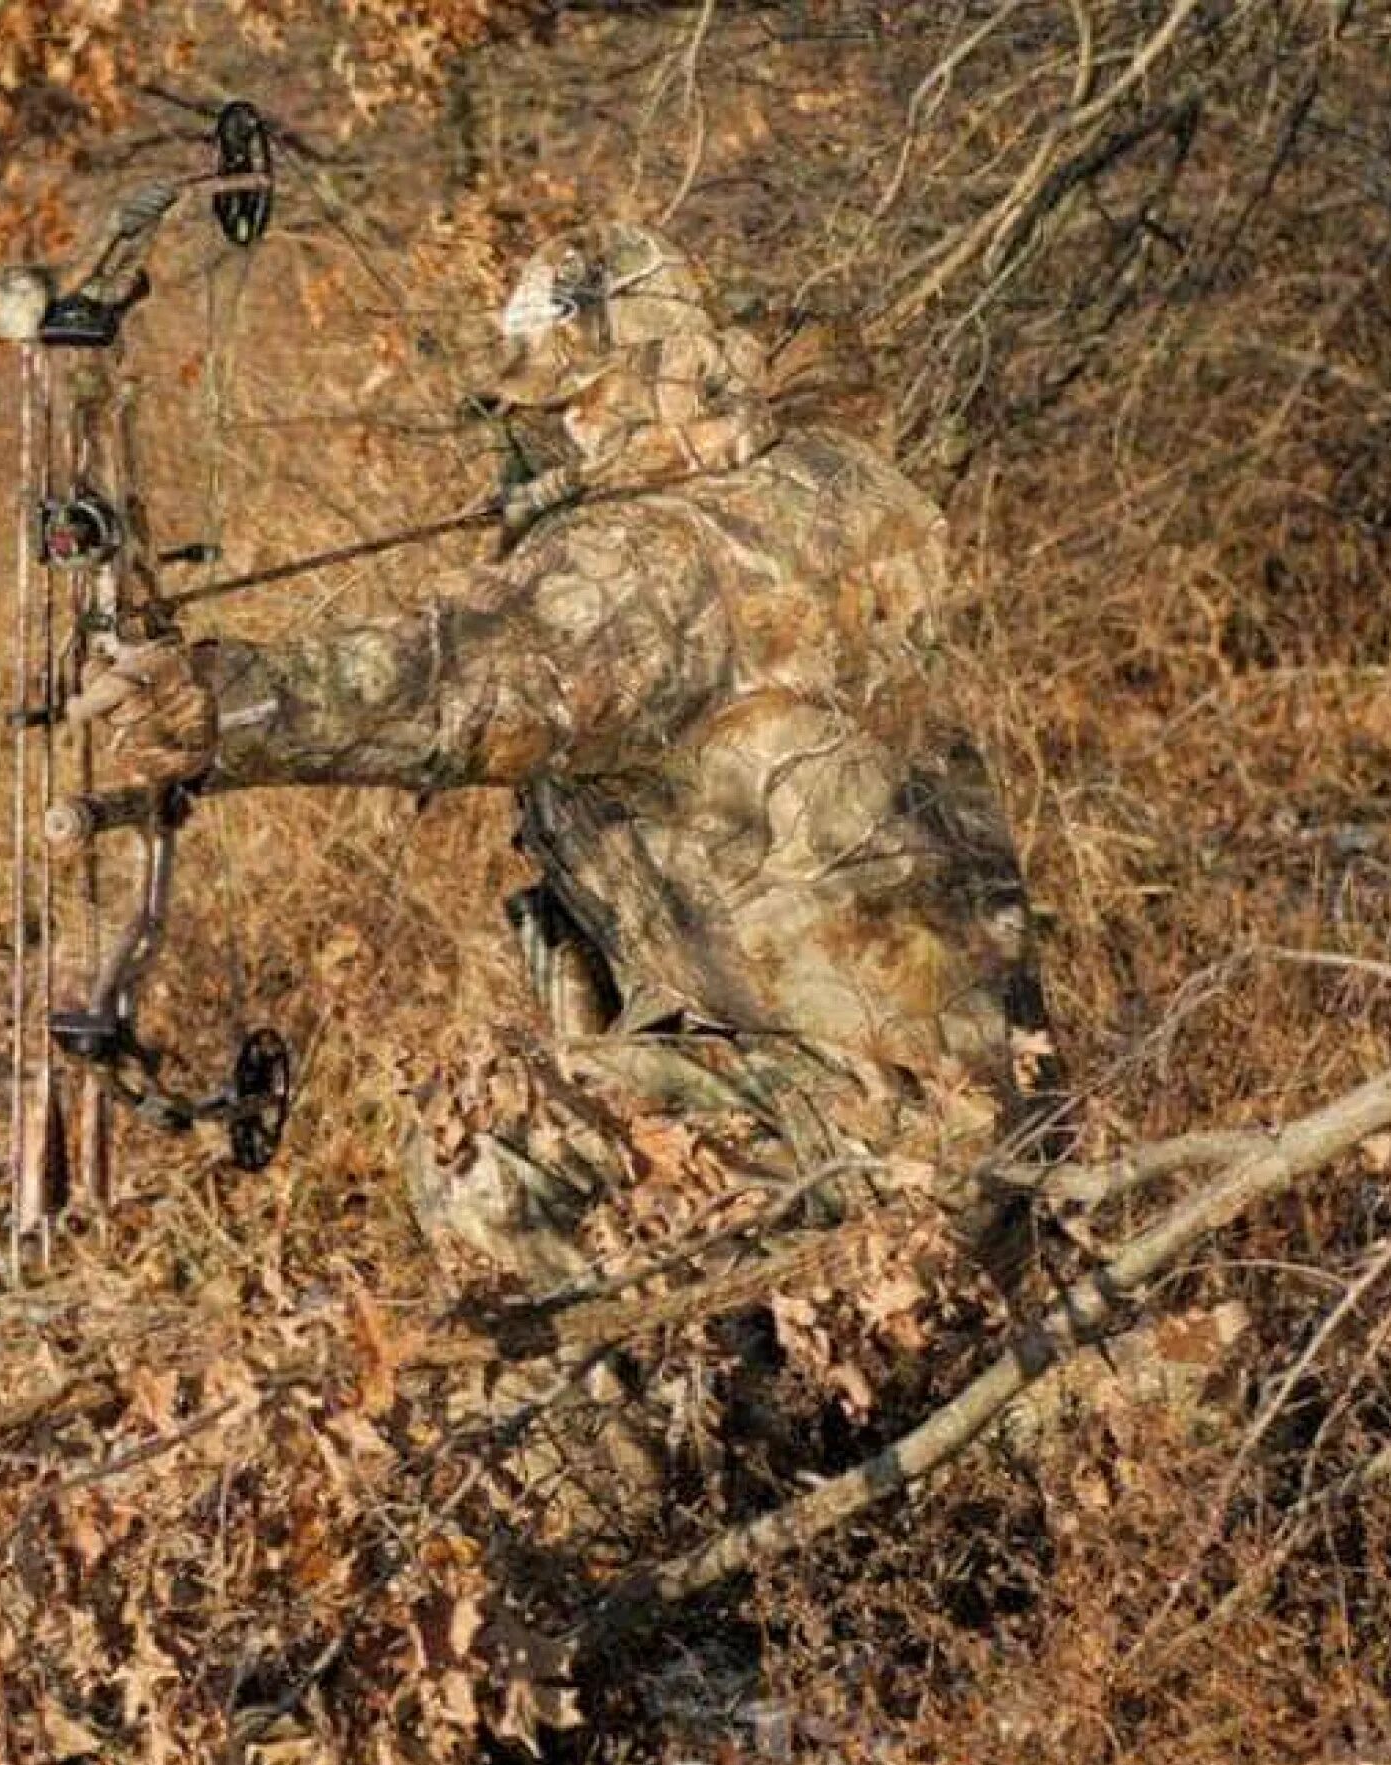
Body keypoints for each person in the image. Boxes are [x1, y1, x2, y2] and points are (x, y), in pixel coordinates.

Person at [71, 222, 1061, 1309]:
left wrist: (218, 703)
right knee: (564, 993)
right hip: (973, 1096)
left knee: (493, 1146)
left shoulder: (656, 557)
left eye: (589, 396)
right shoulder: (826, 482)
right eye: (547, 412)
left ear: (673, 367)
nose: (572, 432)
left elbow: (459, 680)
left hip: (871, 1122)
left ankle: (629, 1464)